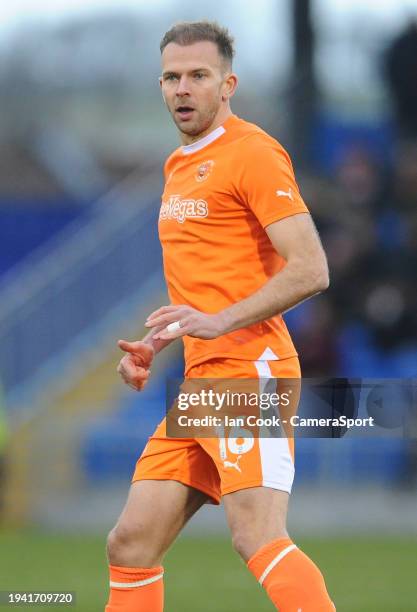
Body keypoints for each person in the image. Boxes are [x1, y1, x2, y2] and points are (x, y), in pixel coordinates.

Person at [105, 21, 335, 612]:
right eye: (171, 77)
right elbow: (207, 281)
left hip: (247, 372)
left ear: (227, 84)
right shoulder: (177, 165)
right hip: (201, 380)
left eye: (198, 76)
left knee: (256, 535)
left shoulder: (253, 153)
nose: (183, 88)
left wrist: (222, 320)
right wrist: (158, 342)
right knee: (131, 544)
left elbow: (311, 268)